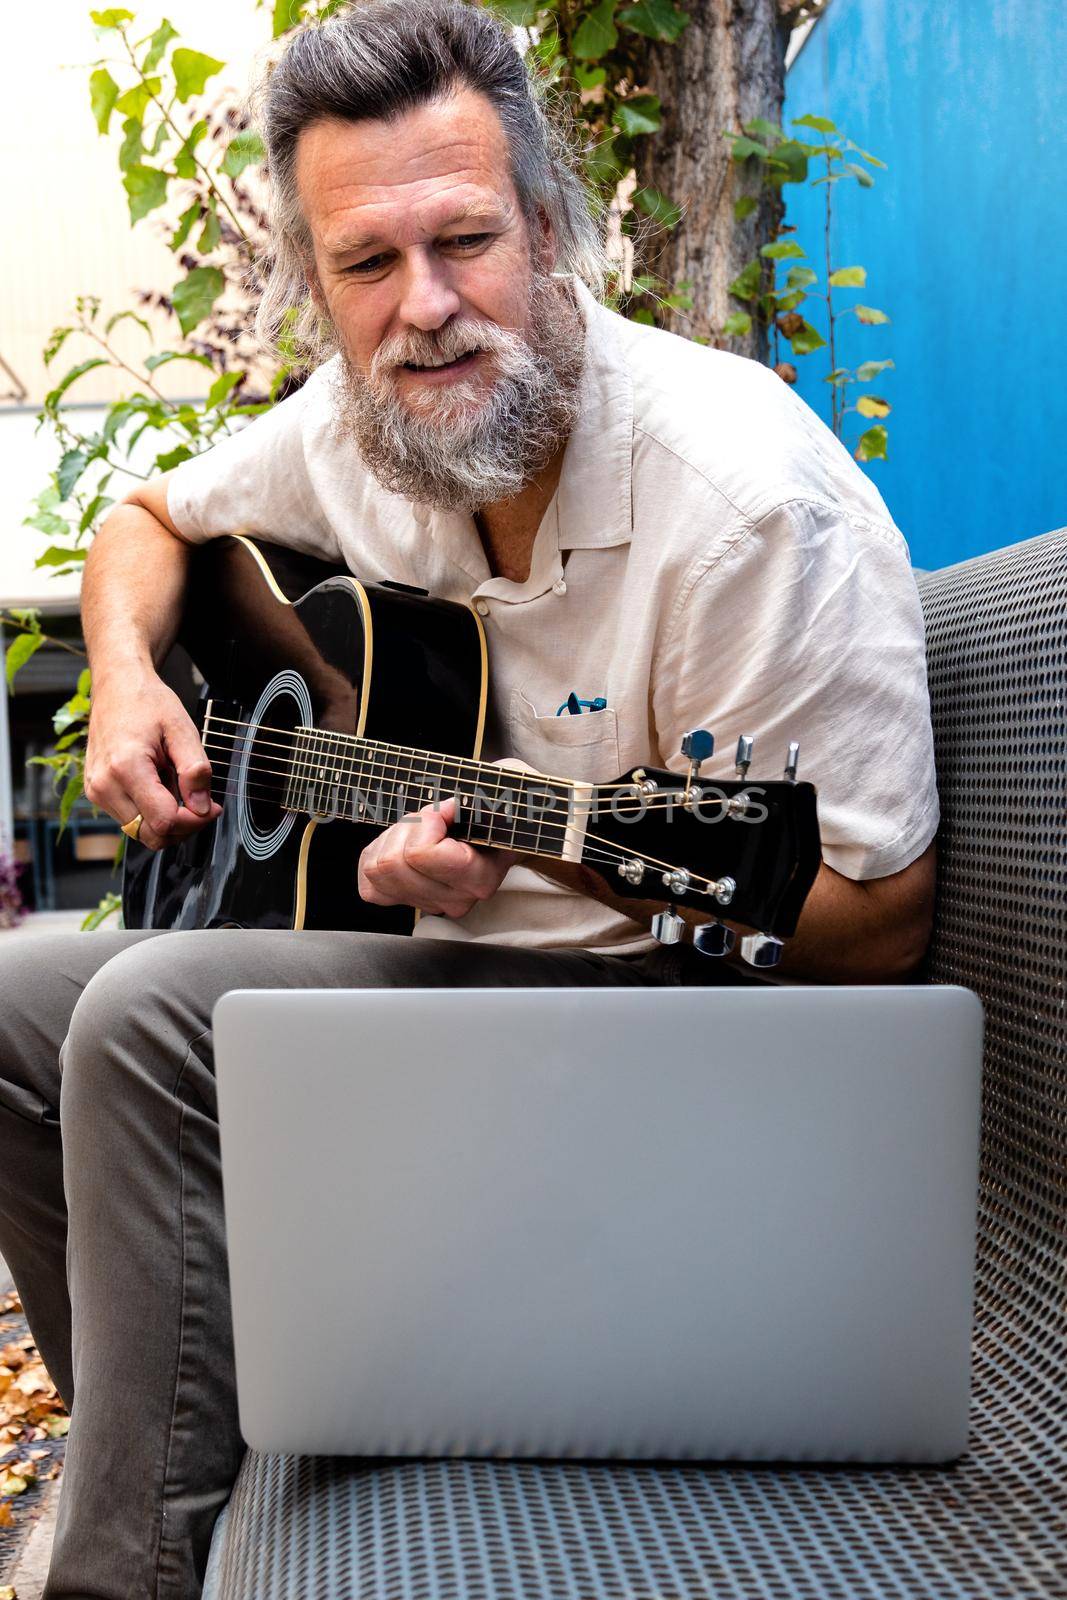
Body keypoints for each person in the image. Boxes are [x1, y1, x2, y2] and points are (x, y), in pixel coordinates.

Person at [0, 2, 939, 1595]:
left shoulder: (745, 507)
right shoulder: (370, 423)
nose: (425, 309)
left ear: (554, 229)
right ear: (319, 286)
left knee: (156, 1011)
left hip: (667, 1034)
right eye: (368, 265)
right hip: (475, 972)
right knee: (17, 994)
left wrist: (563, 858)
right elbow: (147, 516)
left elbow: (879, 927)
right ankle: (163, 1445)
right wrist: (137, 674)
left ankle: (122, 1573)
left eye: (466, 241)